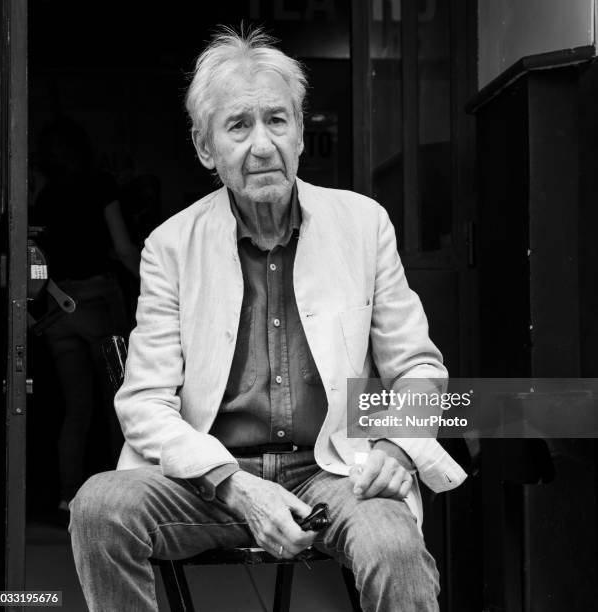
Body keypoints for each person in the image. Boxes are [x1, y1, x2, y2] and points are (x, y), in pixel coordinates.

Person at [69, 27, 467, 612]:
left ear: (302, 132)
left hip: (335, 471)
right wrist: (235, 485)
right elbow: (144, 405)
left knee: (392, 542)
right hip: (210, 482)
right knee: (99, 507)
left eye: (277, 121)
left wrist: (397, 447)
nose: (262, 145)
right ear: (206, 150)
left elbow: (419, 368)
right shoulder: (170, 245)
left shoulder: (364, 224)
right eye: (238, 126)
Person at [31, 116, 140, 519]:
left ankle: (67, 498)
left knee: (76, 409)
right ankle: (124, 495)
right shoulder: (100, 187)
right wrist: (160, 284)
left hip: (60, 307)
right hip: (99, 301)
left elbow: (37, 260)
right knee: (120, 403)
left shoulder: (45, 198)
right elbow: (124, 248)